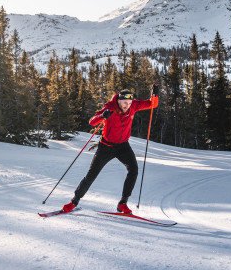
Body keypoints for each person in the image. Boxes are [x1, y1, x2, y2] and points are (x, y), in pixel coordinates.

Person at [62, 84, 159, 214]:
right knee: (92, 174)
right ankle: (74, 201)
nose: (127, 106)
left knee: (133, 170)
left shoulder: (133, 106)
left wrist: (154, 95)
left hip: (123, 146)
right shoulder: (109, 107)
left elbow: (152, 104)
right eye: (125, 103)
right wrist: (102, 116)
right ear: (118, 101)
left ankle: (123, 203)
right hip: (106, 146)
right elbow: (92, 122)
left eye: (129, 103)